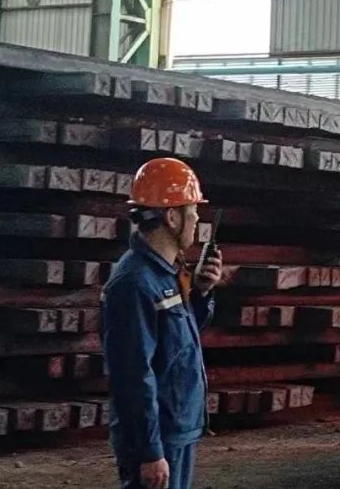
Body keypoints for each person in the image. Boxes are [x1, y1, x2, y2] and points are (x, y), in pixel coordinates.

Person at [102, 158, 224, 489]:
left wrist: (201, 292)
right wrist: (150, 451)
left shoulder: (165, 275)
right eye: (192, 211)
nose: (196, 220)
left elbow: (179, 342)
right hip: (159, 439)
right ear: (172, 217)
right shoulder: (135, 284)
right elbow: (132, 376)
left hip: (176, 429)